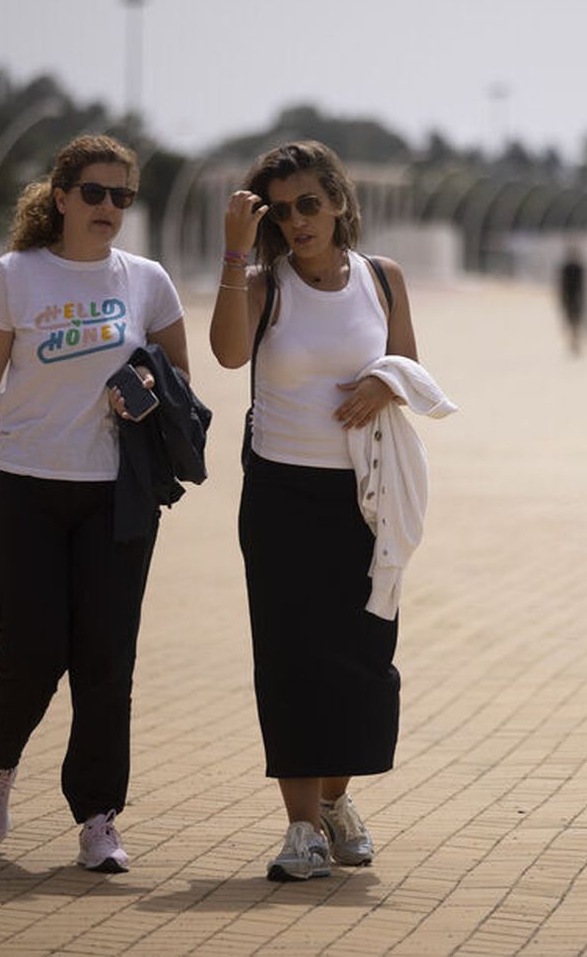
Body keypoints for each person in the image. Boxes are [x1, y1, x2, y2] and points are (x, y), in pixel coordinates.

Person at [0, 135, 188, 874]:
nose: (109, 209)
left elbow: (180, 377)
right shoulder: (16, 276)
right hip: (25, 484)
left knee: (105, 661)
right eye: (94, 192)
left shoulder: (148, 281)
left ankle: (98, 818)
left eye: (122, 196)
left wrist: (150, 389)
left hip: (115, 496)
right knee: (29, 654)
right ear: (60, 196)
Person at [210, 141, 422, 883]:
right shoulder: (265, 285)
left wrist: (385, 385)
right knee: (291, 661)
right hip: (279, 496)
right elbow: (229, 356)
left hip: (364, 498)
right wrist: (236, 256)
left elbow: (409, 368)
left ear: (336, 200)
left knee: (363, 660)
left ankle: (336, 801)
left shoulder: (382, 280)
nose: (298, 220)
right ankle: (300, 827)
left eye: (309, 203)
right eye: (281, 209)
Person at [558, 244, 586, 355]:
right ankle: (574, 341)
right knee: (572, 322)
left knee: (575, 322)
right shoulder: (568, 268)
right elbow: (563, 285)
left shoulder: (577, 268)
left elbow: (582, 285)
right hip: (571, 298)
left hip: (573, 298)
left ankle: (575, 341)